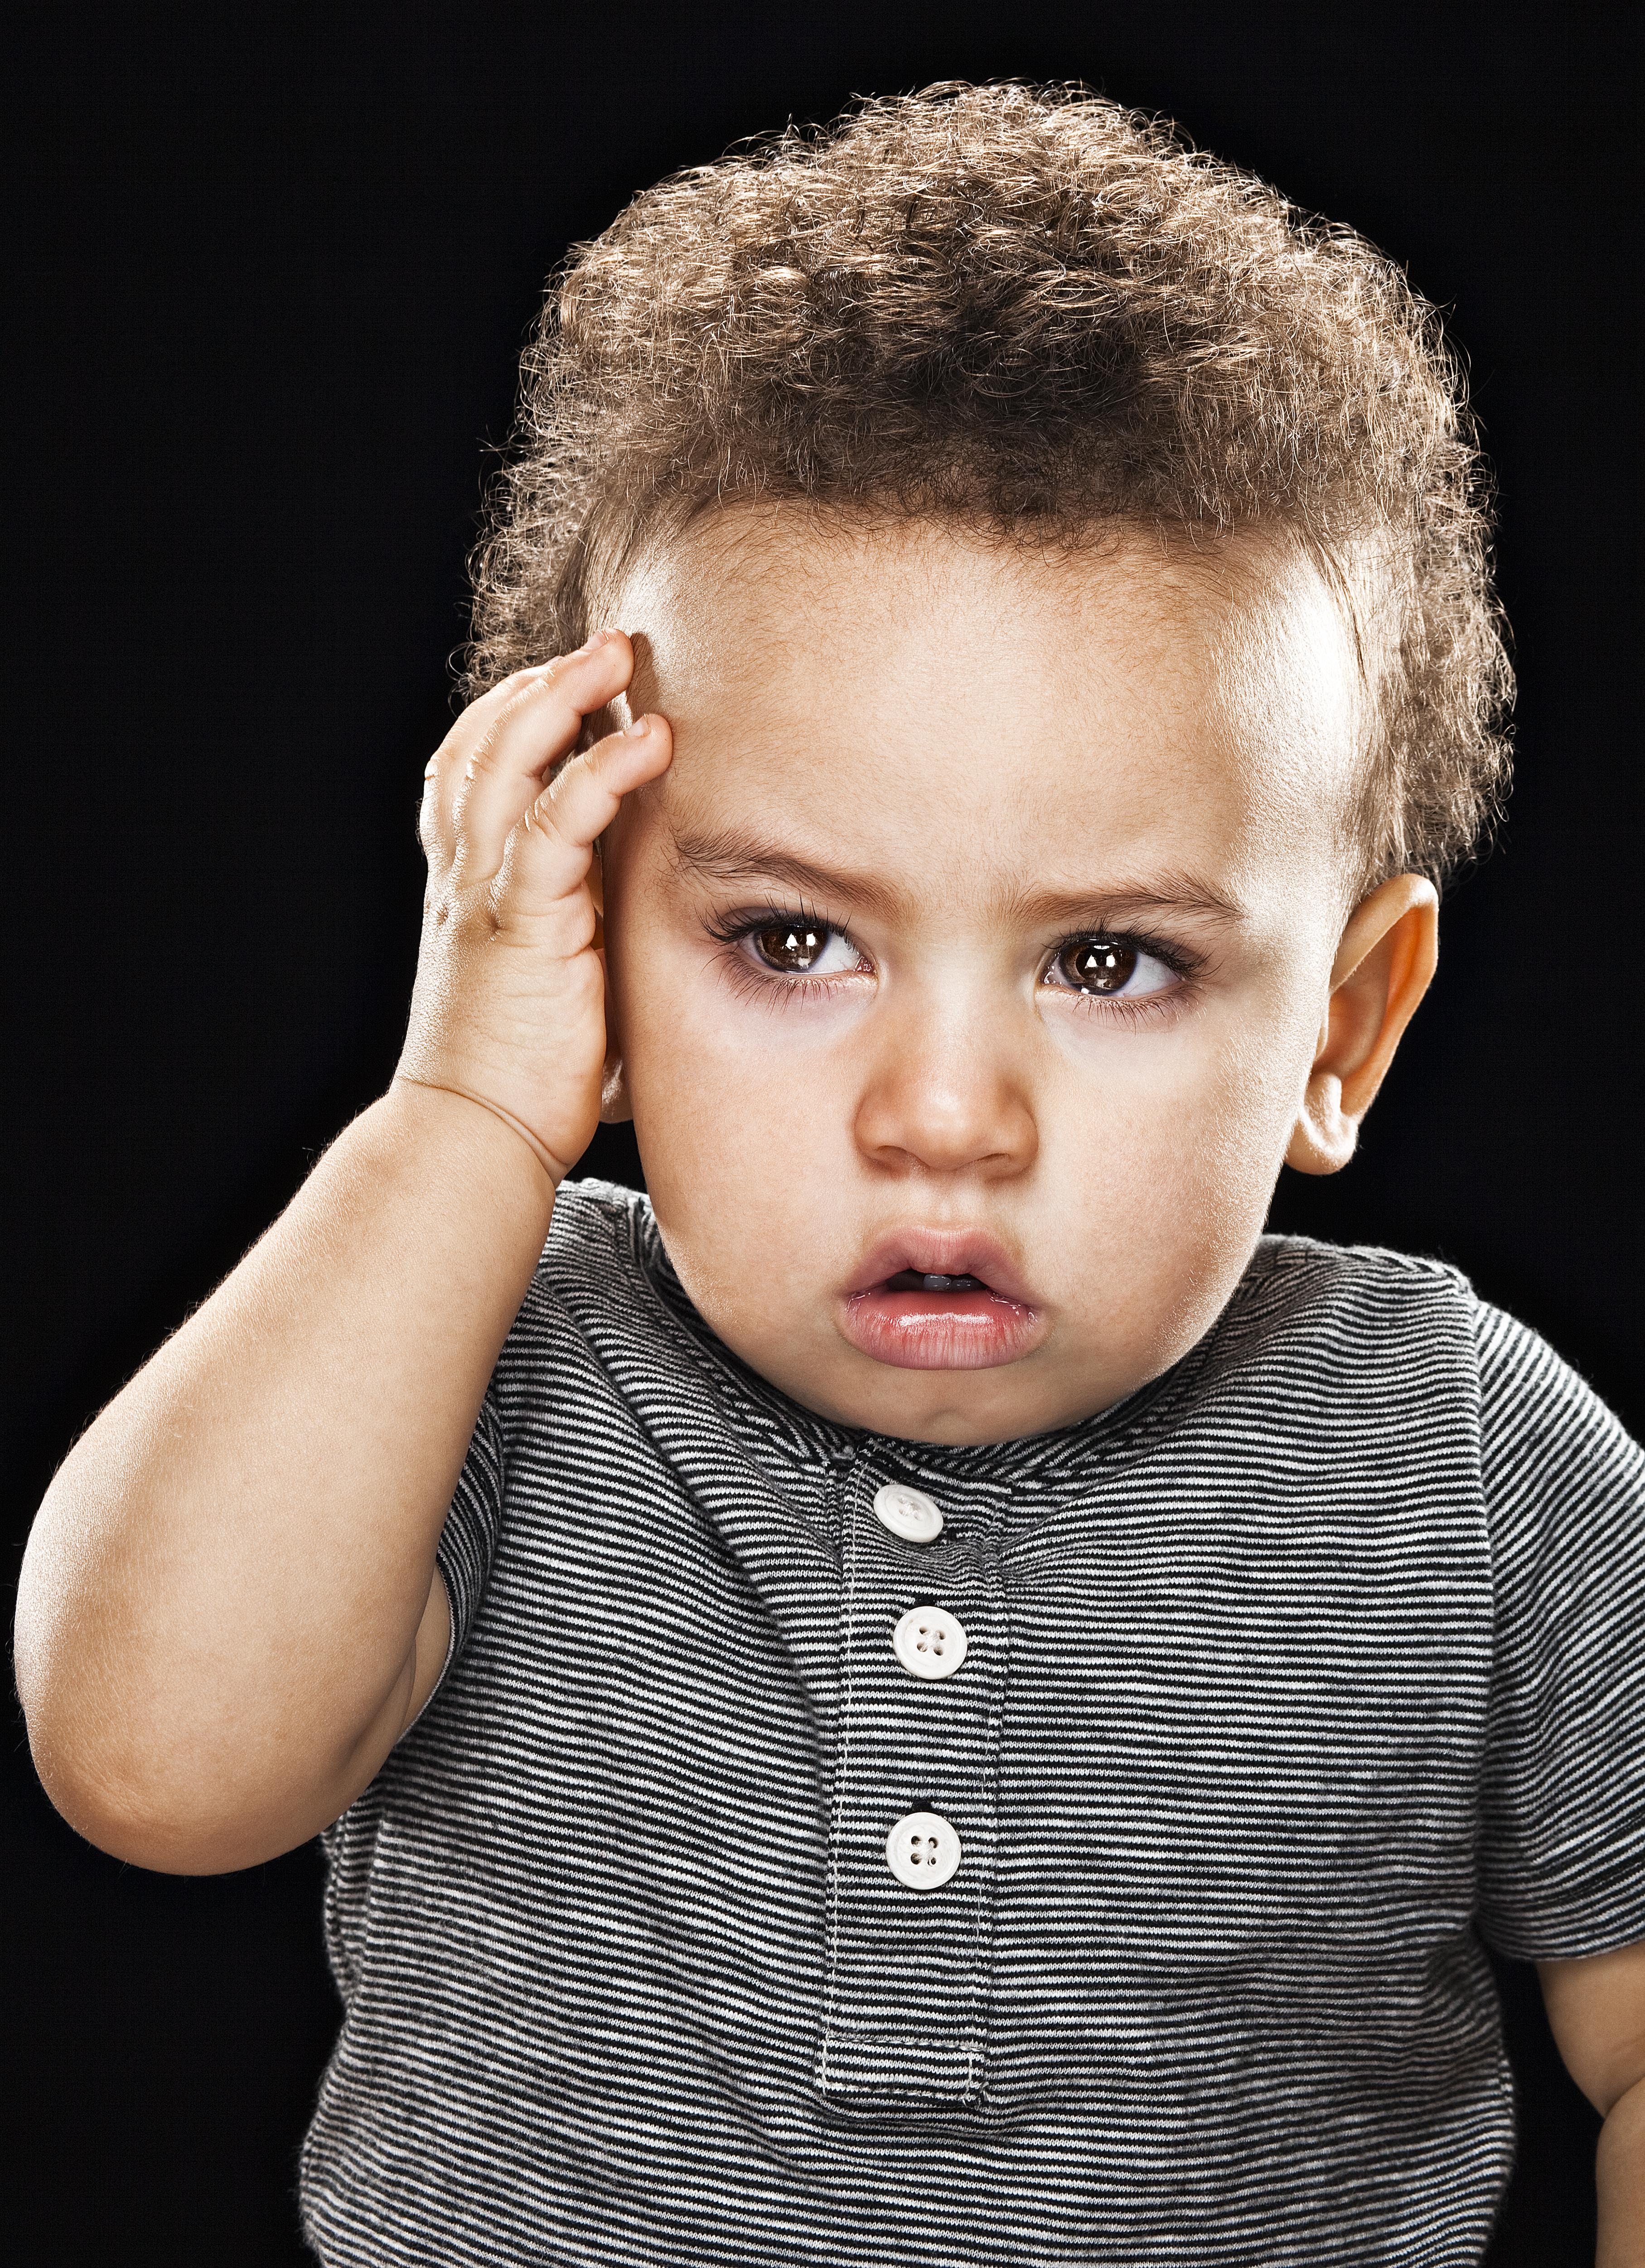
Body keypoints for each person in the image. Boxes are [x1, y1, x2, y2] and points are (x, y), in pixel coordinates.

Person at [15, 81, 1645, 2267]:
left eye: (1107, 959)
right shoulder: (480, 1347)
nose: (943, 1112)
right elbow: (154, 1760)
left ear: (1339, 1030)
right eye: (790, 942)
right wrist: (465, 1114)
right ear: (586, 933)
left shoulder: (1465, 1454)